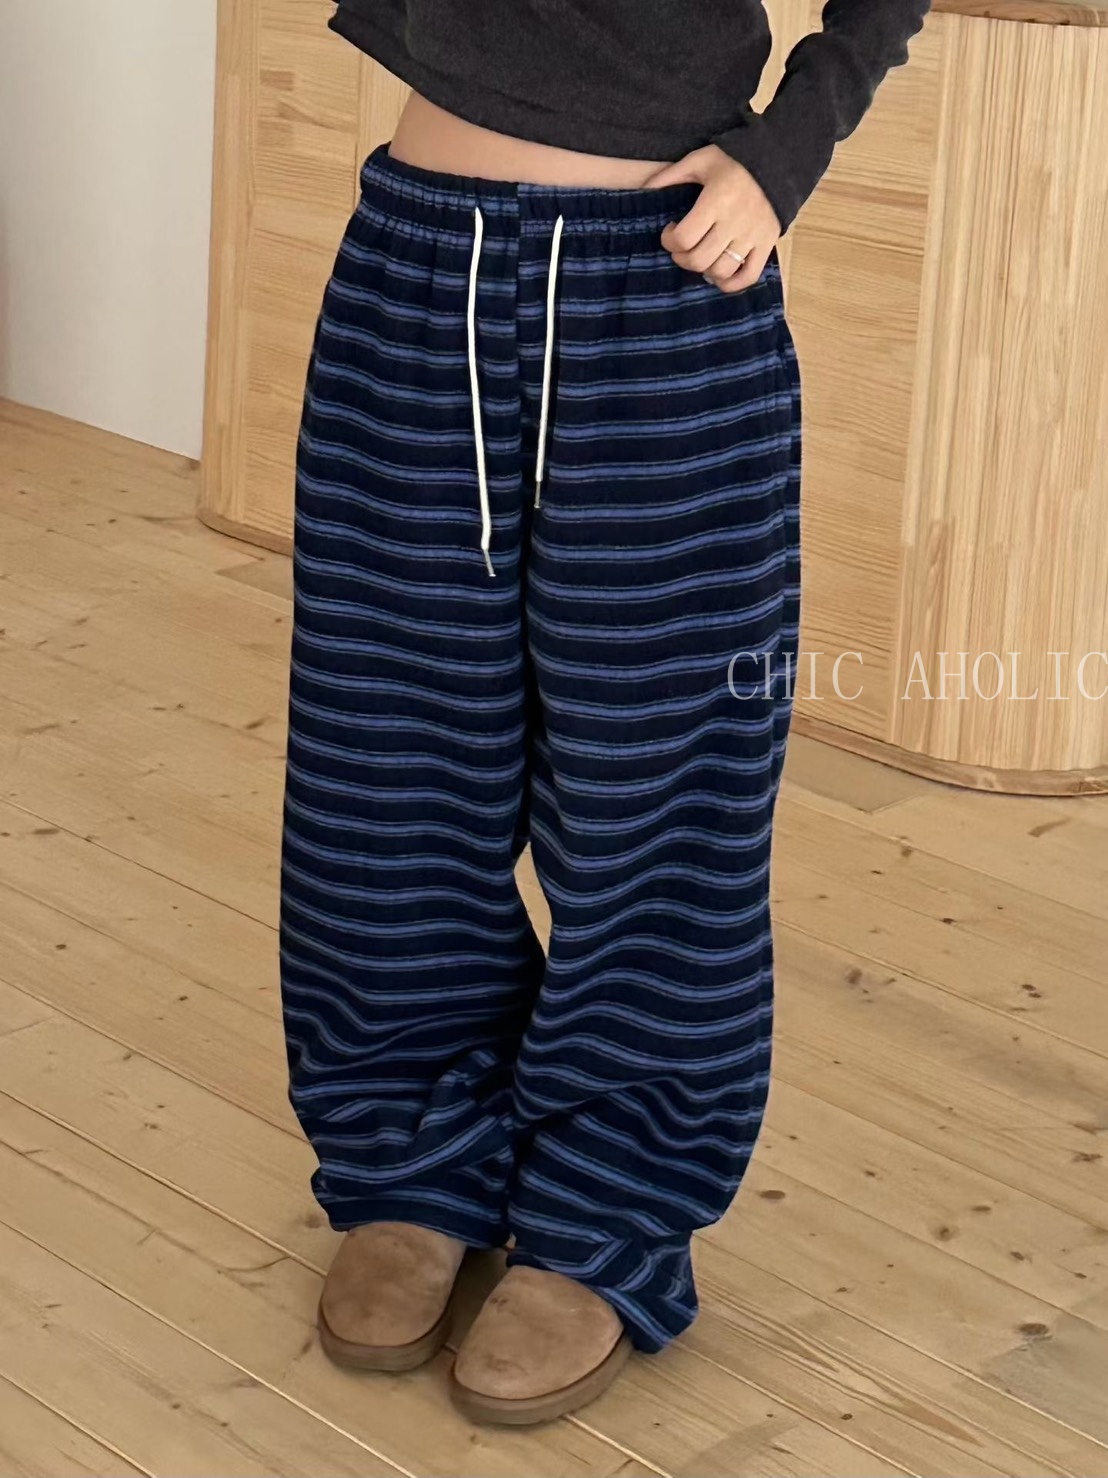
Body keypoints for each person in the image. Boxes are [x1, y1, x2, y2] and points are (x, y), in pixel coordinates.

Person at [279, 0, 930, 1426]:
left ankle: (606, 1209)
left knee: (660, 795)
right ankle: (409, 1159)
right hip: (416, 261)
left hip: (667, 281)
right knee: (383, 764)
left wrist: (790, 148)